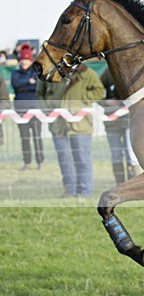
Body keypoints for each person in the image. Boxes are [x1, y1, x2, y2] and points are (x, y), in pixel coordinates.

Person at [38, 64, 104, 198]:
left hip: (80, 125)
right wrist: (48, 108)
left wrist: (82, 99)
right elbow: (40, 93)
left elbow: (99, 91)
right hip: (58, 125)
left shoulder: (87, 73)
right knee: (64, 159)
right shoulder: (50, 73)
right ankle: (69, 189)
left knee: (83, 160)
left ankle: (85, 191)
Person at [100, 69, 139, 184]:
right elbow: (96, 89)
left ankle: (133, 185)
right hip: (112, 122)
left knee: (131, 155)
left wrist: (121, 103)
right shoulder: (108, 72)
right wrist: (105, 102)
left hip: (129, 120)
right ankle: (120, 185)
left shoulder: (131, 68)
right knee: (116, 155)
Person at [10, 44, 45, 170]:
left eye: (27, 59)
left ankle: (40, 162)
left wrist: (23, 86)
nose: (24, 62)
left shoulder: (36, 72)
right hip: (21, 111)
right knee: (24, 138)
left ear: (31, 60)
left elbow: (37, 87)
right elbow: (15, 85)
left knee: (37, 137)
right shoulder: (15, 73)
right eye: (23, 59)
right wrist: (28, 82)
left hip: (35, 110)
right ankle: (27, 162)